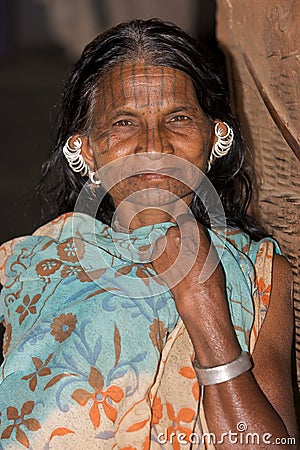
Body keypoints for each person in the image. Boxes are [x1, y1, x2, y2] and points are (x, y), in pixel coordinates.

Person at [0, 19, 297, 449]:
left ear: (215, 137)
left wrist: (205, 311)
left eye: (178, 118)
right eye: (124, 123)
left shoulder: (261, 276)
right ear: (85, 151)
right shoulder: (31, 271)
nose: (153, 144)